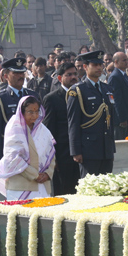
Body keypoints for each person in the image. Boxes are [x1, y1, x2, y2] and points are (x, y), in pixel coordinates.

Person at [0, 96, 55, 200]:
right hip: (20, 187)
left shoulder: (42, 129)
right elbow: (13, 158)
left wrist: (47, 174)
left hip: (42, 185)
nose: (34, 115)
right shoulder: (14, 128)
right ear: (22, 112)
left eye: (37, 111)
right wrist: (35, 175)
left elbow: (51, 154)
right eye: (30, 112)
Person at [67, 51, 115, 177]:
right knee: (90, 188)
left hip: (106, 148)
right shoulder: (77, 91)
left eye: (100, 64)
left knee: (107, 187)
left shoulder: (107, 89)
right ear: (85, 67)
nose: (99, 68)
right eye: (94, 64)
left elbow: (111, 119)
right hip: (88, 149)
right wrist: (75, 151)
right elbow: (73, 123)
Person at [0, 57, 40, 168]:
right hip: (11, 154)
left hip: (32, 151)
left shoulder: (33, 96)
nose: (21, 76)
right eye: (16, 73)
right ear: (6, 76)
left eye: (22, 72)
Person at [42, 63, 80, 195]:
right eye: (69, 75)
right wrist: (53, 158)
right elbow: (48, 131)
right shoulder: (52, 99)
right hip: (62, 154)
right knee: (64, 192)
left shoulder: (81, 94)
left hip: (82, 153)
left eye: (75, 74)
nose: (73, 77)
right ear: (59, 78)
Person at [107, 52, 128, 140]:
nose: (126, 62)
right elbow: (116, 100)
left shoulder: (123, 75)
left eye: (126, 59)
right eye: (124, 60)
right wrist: (122, 119)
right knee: (121, 145)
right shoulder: (115, 77)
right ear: (116, 62)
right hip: (122, 120)